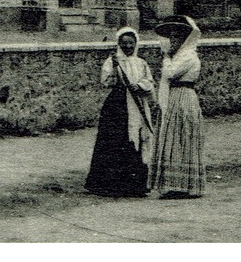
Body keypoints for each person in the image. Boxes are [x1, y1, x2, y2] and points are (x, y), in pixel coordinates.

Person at [85, 27, 157, 197]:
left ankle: (134, 185)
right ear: (119, 44)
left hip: (136, 102)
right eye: (124, 44)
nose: (127, 47)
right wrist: (116, 72)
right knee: (115, 141)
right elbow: (106, 81)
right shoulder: (112, 61)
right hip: (117, 106)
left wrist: (138, 86)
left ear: (136, 44)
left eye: (131, 43)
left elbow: (149, 82)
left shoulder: (141, 63)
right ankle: (109, 184)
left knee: (136, 139)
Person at [149, 15, 205, 198]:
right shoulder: (179, 56)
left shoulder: (188, 56)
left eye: (177, 37)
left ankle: (182, 185)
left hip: (183, 97)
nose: (173, 41)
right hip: (175, 96)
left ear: (186, 38)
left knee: (180, 136)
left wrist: (166, 56)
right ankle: (173, 183)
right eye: (171, 37)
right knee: (172, 136)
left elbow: (170, 73)